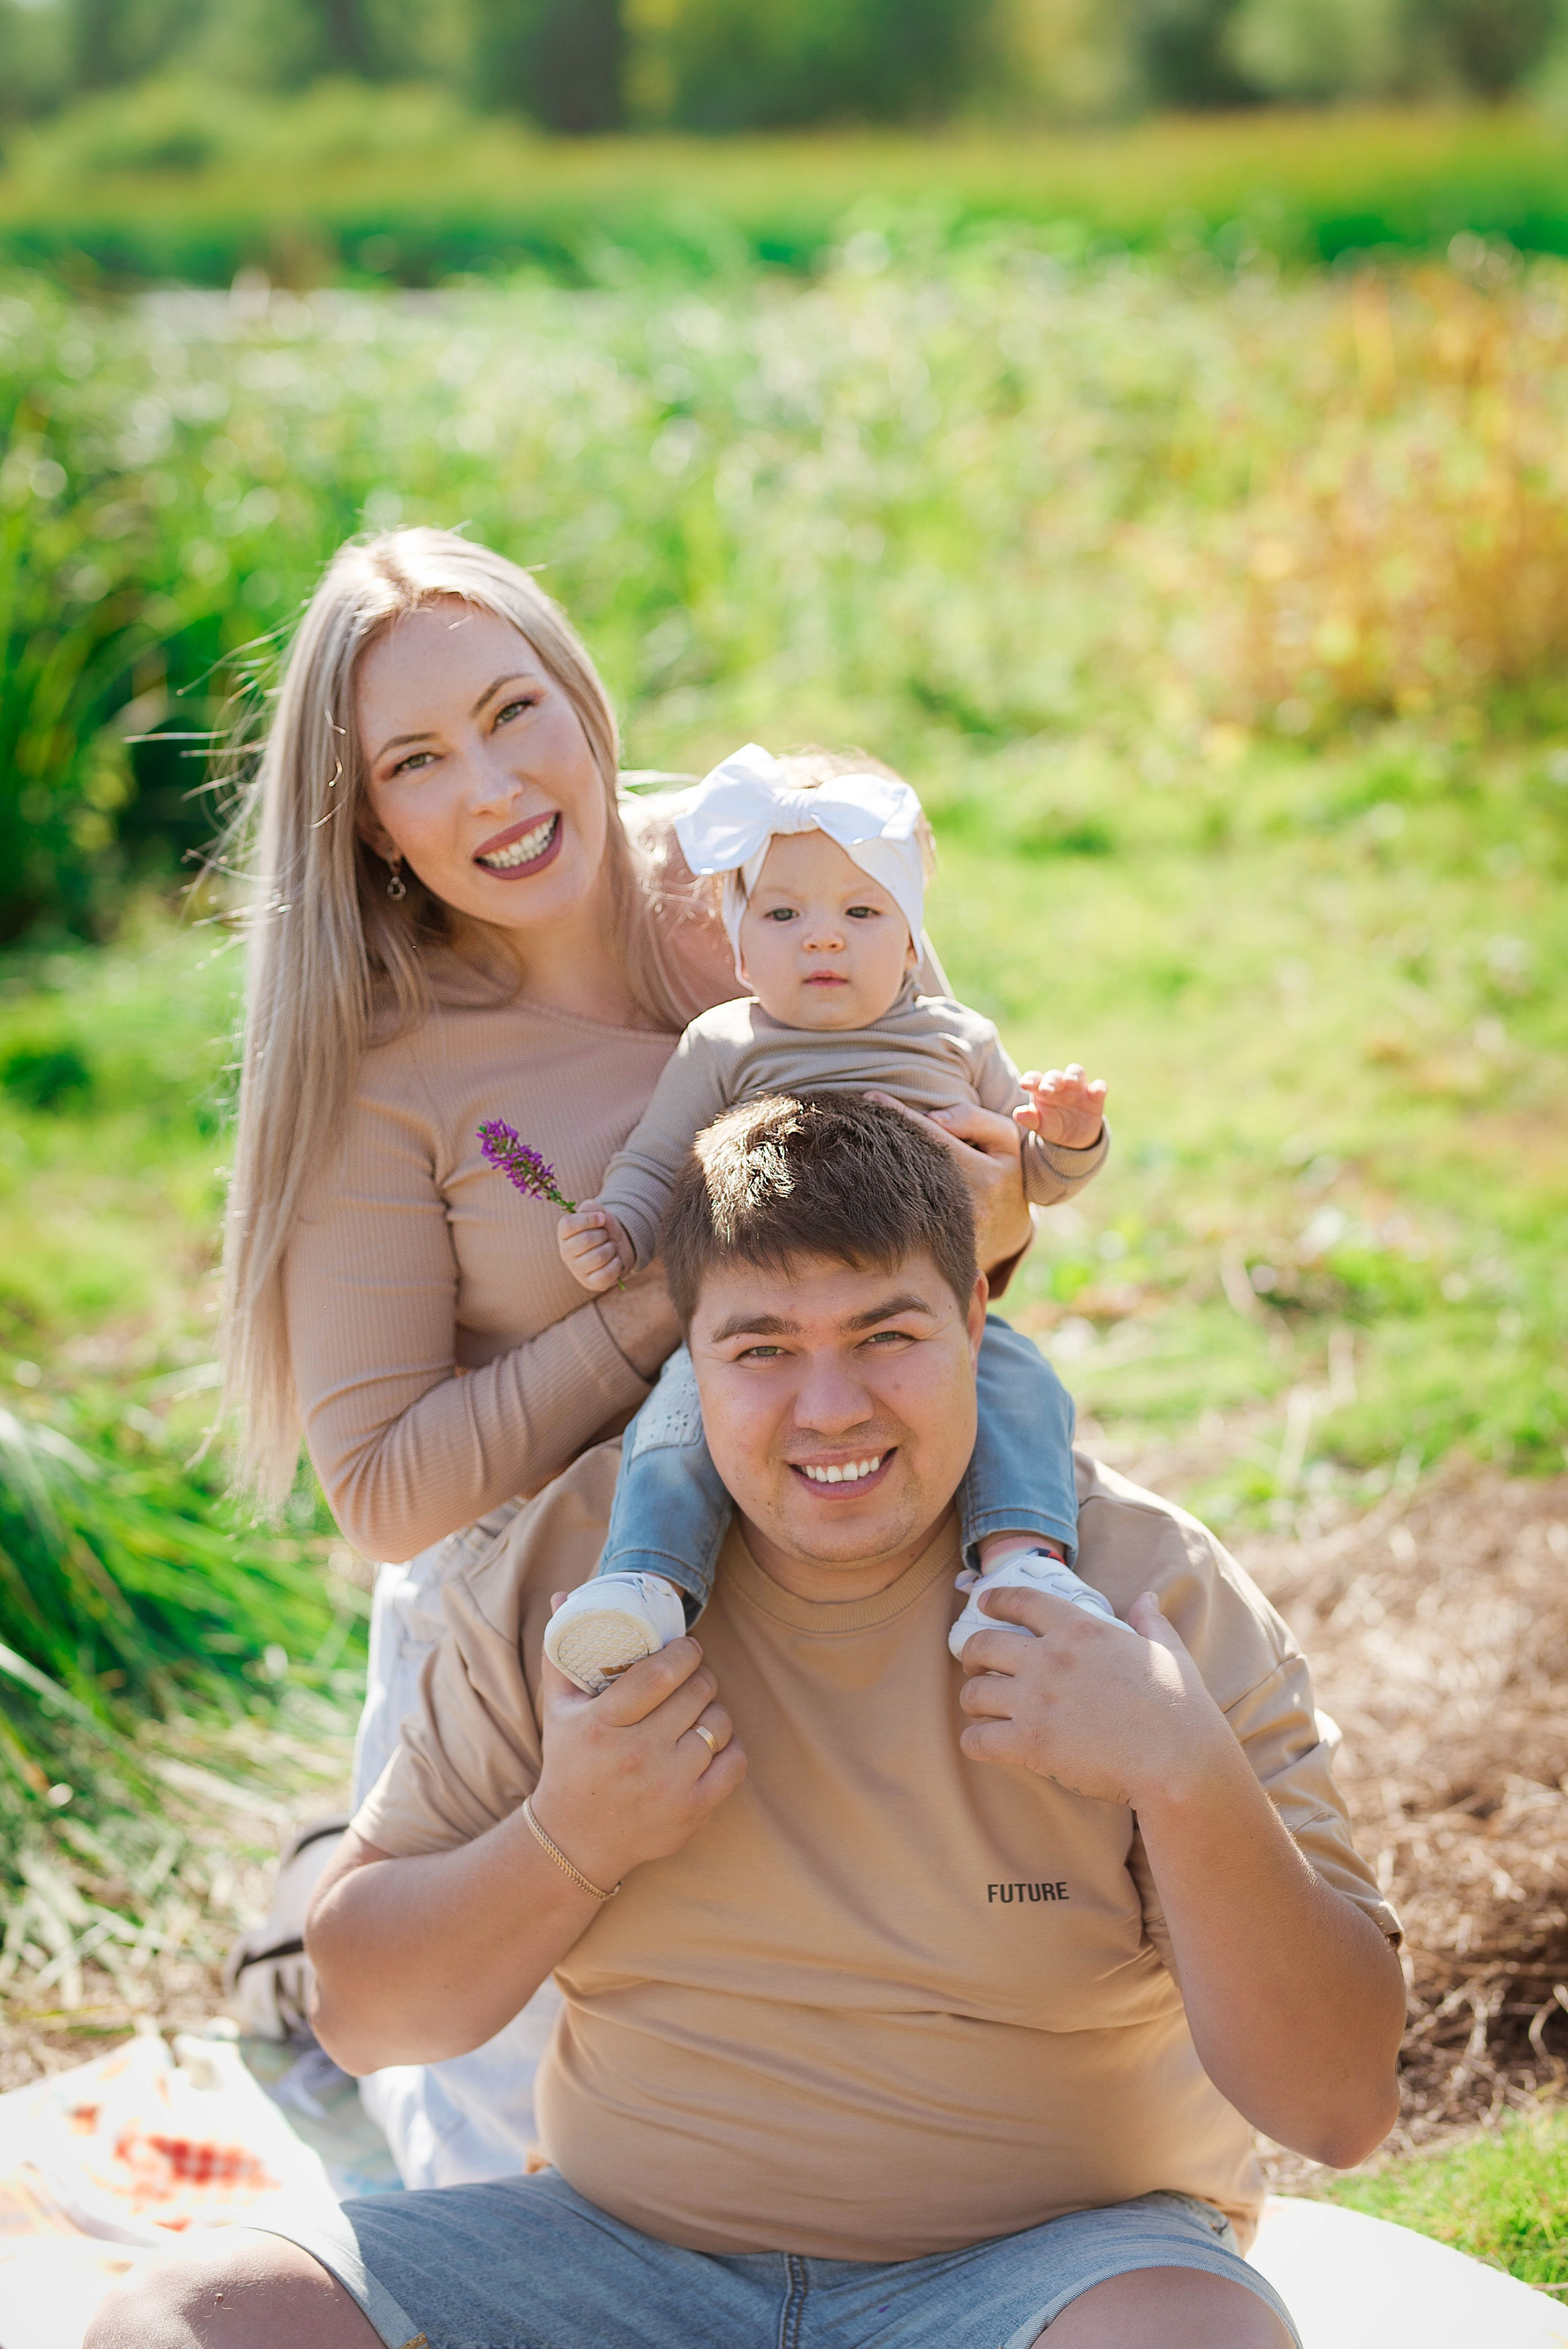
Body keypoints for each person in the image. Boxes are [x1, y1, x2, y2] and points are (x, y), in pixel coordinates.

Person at [99, 1095, 1408, 2349]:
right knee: (189, 2320)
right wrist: (569, 1837)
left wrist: (1177, 1770)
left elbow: (1336, 2105)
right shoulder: (577, 1571)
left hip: (1053, 2269)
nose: (829, 1407)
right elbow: (363, 2019)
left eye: (884, 1334)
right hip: (623, 2266)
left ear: (971, 1315)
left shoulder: (1137, 1587)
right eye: (763, 1348)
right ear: (687, 1352)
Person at [217, 524, 1047, 2182]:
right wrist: (672, 1289)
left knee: (836, 2135)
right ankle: (305, 1982)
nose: (496, 786)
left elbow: (970, 1245)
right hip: (540, 1647)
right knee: (509, 2179)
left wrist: (1005, 1187)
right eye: (418, 760)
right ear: (366, 815)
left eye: (517, 709)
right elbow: (385, 1492)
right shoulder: (389, 1068)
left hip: (829, 1583)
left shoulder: (775, 878)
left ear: (585, 700)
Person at [542, 739, 1118, 1700]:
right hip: (766, 1311)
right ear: (737, 940)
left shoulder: (955, 1037)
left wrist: (1066, 1139)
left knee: (1019, 1386)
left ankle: (1021, 1566)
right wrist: (622, 1227)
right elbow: (656, 1157)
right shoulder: (726, 1042)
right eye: (783, 913)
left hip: (916, 1303)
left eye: (861, 913)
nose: (822, 938)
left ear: (910, 938)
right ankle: (641, 1580)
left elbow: (1033, 1178)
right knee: (681, 1415)